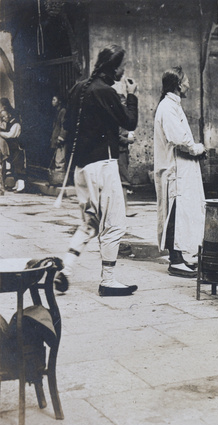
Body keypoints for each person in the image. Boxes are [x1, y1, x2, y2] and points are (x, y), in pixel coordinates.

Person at [56, 44, 138, 297]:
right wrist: (132, 95)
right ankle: (108, 280)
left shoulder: (80, 87)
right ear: (113, 68)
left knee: (90, 223)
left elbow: (75, 125)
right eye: (122, 68)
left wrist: (115, 138)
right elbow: (129, 121)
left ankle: (66, 270)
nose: (124, 73)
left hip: (82, 169)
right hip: (103, 166)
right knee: (114, 225)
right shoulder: (107, 91)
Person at [154, 66, 206, 278]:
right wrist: (197, 148)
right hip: (175, 169)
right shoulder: (167, 107)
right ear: (177, 84)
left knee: (183, 213)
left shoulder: (172, 105)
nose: (189, 85)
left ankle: (182, 257)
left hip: (181, 168)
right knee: (175, 212)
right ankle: (176, 260)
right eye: (186, 81)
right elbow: (179, 139)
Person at [112, 78, 136, 218]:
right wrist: (127, 140)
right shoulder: (116, 118)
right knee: (123, 181)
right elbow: (116, 136)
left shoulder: (123, 118)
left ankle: (121, 208)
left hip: (123, 151)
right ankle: (124, 209)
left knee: (122, 181)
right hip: (119, 151)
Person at [0, 106, 25, 192]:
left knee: (19, 165)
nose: (3, 119)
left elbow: (10, 135)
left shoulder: (16, 124)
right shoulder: (9, 123)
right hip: (12, 148)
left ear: (9, 115)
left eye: (4, 116)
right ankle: (17, 185)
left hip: (17, 148)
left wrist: (0, 133)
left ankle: (21, 185)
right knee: (14, 165)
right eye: (2, 117)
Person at [49, 95, 67, 174]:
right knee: (56, 158)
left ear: (59, 101)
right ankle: (55, 178)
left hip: (60, 139)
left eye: (54, 100)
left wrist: (61, 137)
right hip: (56, 137)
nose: (52, 101)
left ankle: (59, 178)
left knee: (60, 159)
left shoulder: (63, 111)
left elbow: (64, 125)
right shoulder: (57, 111)